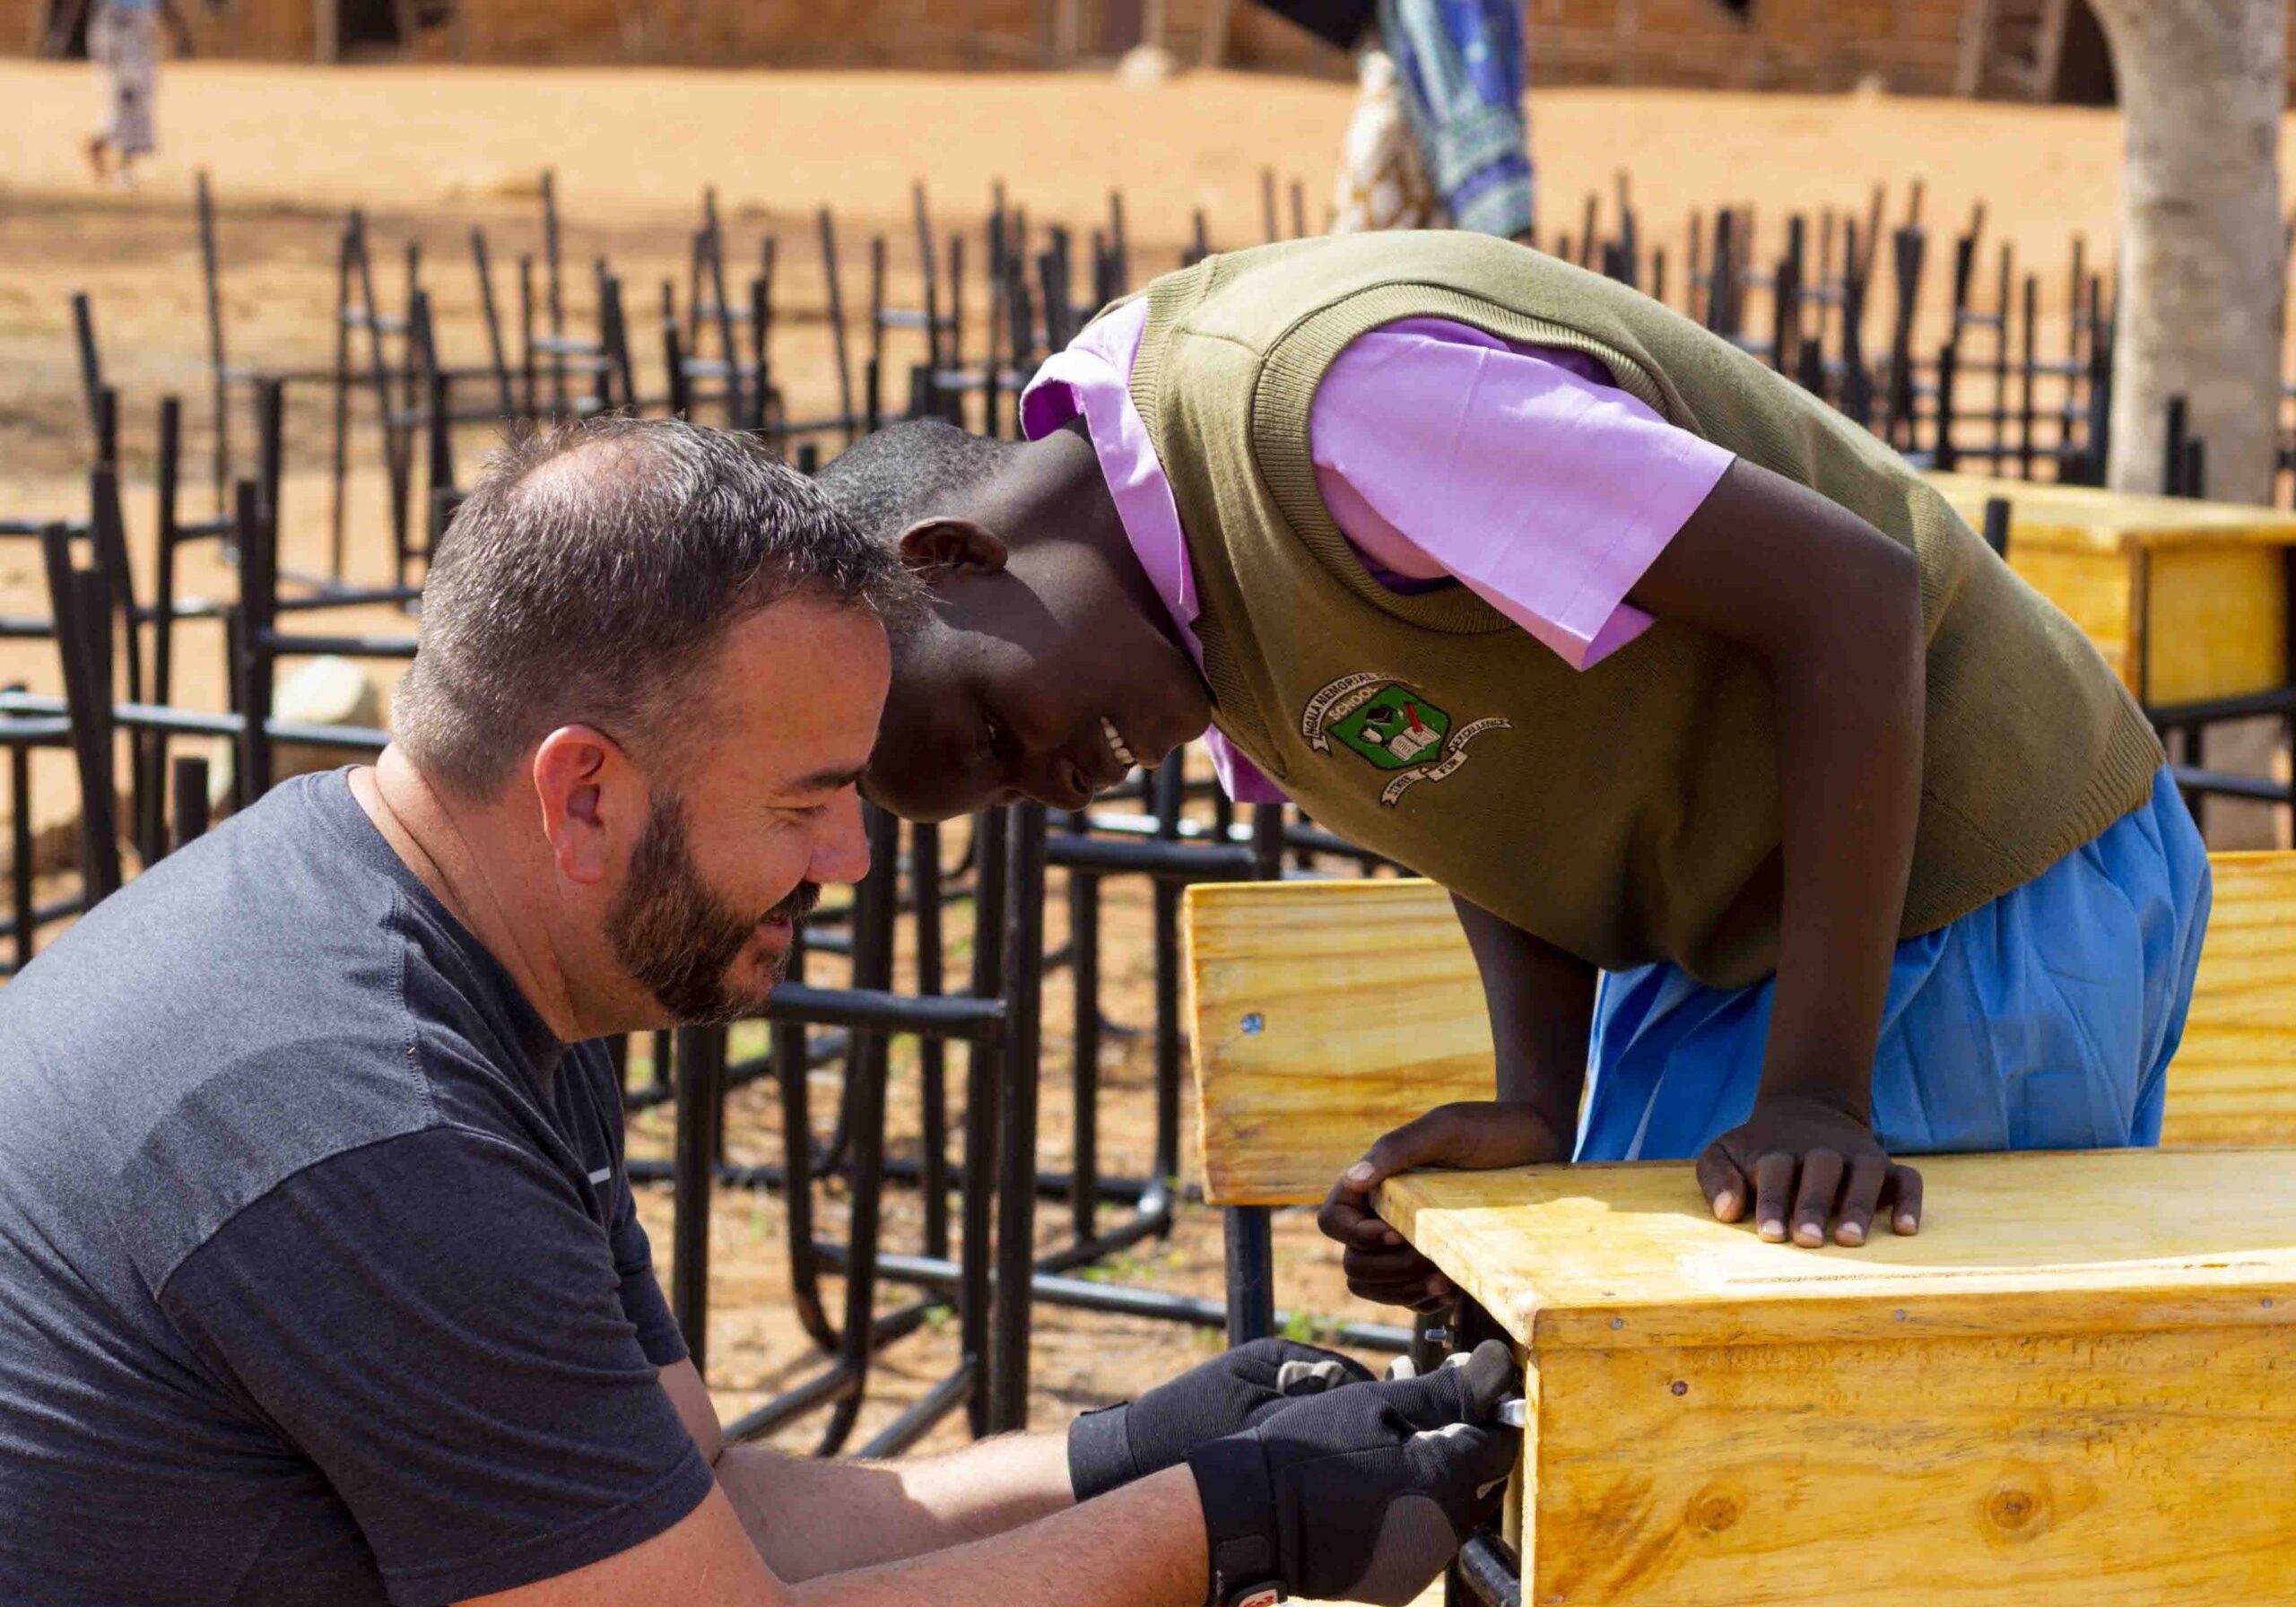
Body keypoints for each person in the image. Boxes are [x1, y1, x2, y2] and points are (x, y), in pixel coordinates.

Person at [0, 417, 1518, 1604]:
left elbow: (709, 1502)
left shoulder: (492, 949)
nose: (853, 858)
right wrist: (1224, 1530)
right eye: (807, 802)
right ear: (583, 792)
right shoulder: (364, 1123)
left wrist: (1125, 1456)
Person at [827, 230, 2213, 1300]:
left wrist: (1815, 1092)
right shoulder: (1171, 607)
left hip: (1971, 878)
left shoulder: (1325, 413)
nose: (1058, 785)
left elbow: (1855, 596)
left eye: (998, 736)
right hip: (1769, 943)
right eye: (1011, 798)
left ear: (955, 557)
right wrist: (1541, 1106)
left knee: (1832, 1464)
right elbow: (1460, 778)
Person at [71, 0, 194, 187]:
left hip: (138, 41)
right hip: (115, 37)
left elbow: (164, 6)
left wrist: (180, 33)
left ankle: (100, 145)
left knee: (140, 101)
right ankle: (122, 168)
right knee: (127, 99)